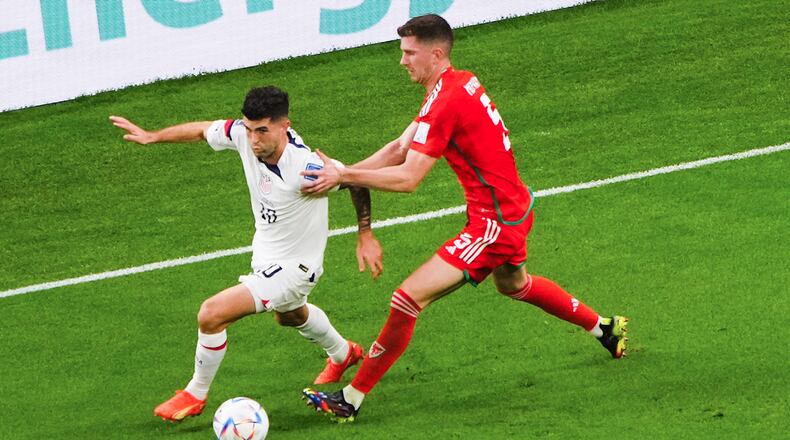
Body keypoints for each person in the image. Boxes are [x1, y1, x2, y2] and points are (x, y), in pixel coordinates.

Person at [300, 14, 628, 422]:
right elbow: (398, 148)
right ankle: (605, 327)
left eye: (408, 53)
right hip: (514, 207)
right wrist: (343, 175)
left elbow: (408, 178)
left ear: (435, 53)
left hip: (493, 224)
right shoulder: (455, 84)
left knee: (406, 298)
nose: (402, 61)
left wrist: (345, 174)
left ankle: (350, 398)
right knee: (515, 285)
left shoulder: (445, 102)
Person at [110, 85, 384, 422]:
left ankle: (195, 393)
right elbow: (200, 129)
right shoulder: (243, 133)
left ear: (285, 125)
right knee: (290, 316)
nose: (254, 140)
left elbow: (355, 180)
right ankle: (343, 353)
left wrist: (365, 233)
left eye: (263, 131)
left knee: (211, 313)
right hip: (267, 254)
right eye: (250, 129)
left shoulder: (306, 168)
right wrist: (153, 136)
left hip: (296, 267)